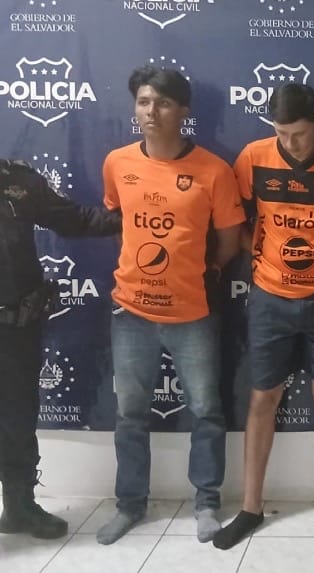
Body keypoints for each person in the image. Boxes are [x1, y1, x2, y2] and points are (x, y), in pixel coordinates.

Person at [213, 84, 314, 551]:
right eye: (281, 133)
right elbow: (234, 223)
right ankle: (250, 507)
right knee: (262, 398)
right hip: (270, 298)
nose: (291, 142)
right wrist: (263, 257)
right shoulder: (253, 157)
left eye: (299, 133)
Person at [96, 66, 245, 545]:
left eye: (162, 103)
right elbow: (119, 221)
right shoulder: (117, 162)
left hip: (193, 313)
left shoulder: (214, 171)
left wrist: (203, 273)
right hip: (131, 313)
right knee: (129, 415)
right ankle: (130, 505)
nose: (151, 112)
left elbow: (229, 241)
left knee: (206, 411)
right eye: (143, 102)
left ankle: (207, 504)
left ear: (183, 110)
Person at [0, 159, 120, 539]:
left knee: (17, 420)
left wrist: (135, 217)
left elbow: (73, 219)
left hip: (14, 329)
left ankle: (19, 508)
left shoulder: (19, 180)